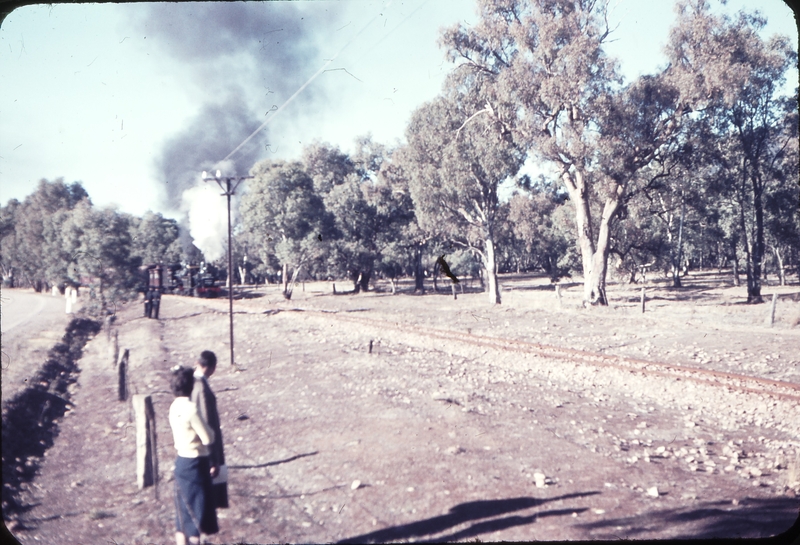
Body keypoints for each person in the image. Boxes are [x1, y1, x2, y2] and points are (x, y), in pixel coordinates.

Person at [168, 366, 219, 545]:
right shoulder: (191, 409)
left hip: (181, 461)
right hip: (197, 463)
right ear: (191, 386)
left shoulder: (173, 407)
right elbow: (208, 437)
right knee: (197, 515)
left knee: (182, 516)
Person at [192, 350, 228, 509]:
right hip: (206, 448)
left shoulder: (191, 382)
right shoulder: (202, 388)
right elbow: (208, 422)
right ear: (213, 368)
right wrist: (214, 459)